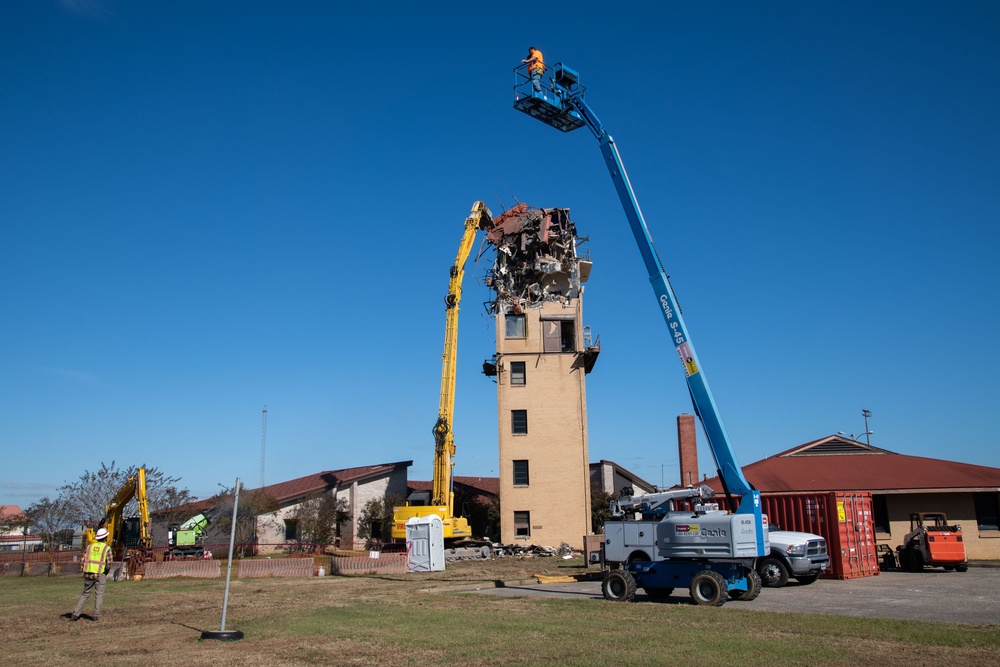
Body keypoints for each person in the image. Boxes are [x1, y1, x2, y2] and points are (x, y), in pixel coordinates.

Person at [70, 527, 112, 621]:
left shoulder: (90, 547)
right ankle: (95, 615)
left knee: (85, 594)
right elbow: (109, 563)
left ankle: (75, 614)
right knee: (99, 595)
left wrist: (84, 570)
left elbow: (82, 560)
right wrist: (105, 572)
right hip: (100, 573)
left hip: (88, 573)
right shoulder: (106, 548)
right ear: (105, 538)